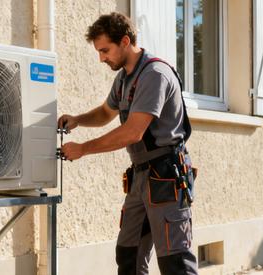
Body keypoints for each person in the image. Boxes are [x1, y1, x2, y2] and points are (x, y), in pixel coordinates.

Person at [58, 12, 197, 275]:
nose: (101, 58)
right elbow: (104, 113)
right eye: (99, 51)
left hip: (166, 176)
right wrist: (77, 120)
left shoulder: (154, 74)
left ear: (124, 41)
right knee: (128, 256)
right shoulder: (123, 78)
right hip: (140, 177)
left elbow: (132, 132)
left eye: (105, 50)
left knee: (174, 262)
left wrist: (83, 148)